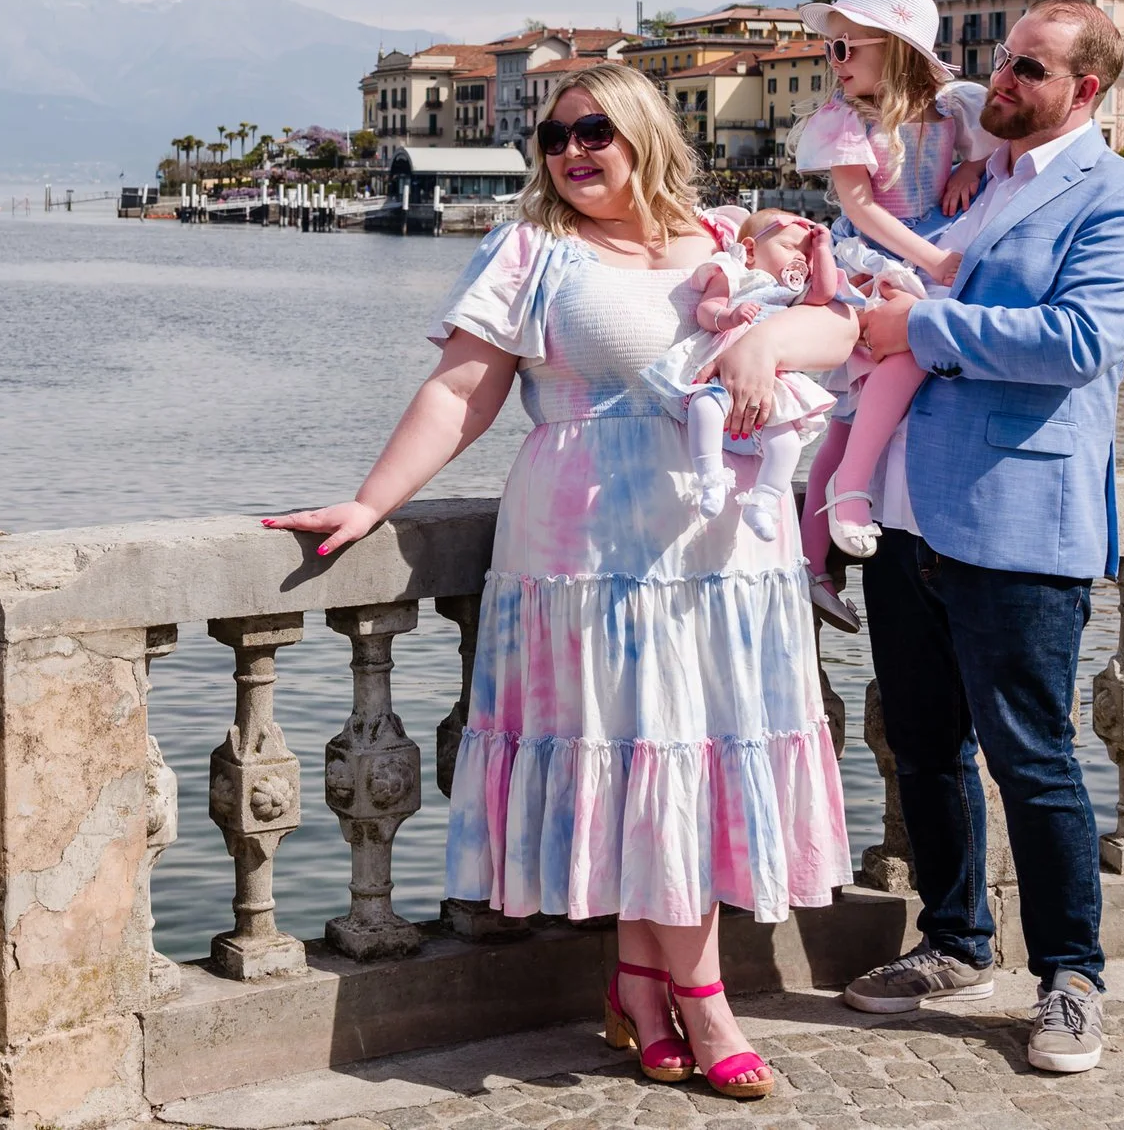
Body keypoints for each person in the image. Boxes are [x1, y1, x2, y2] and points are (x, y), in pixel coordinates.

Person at [264, 63, 858, 1101]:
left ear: (642, 132)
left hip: (721, 556)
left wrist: (765, 336)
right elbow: (461, 391)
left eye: (593, 130)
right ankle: (703, 997)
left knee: (683, 762)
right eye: (552, 136)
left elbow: (847, 330)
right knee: (653, 755)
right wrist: (370, 502)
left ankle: (637, 979)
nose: (571, 151)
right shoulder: (534, 250)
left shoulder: (723, 240)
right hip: (595, 553)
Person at [833, 0, 1124, 1078]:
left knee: (1032, 758)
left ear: (1086, 87)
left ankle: (1071, 976)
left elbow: (1078, 340)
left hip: (1021, 522)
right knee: (927, 744)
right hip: (905, 513)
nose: (1001, 81)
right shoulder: (971, 183)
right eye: (999, 61)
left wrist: (916, 327)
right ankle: (952, 941)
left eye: (1027, 67)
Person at [790, 0, 997, 590]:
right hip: (879, 257)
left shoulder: (951, 108)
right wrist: (931, 265)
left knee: (850, 418)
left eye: (847, 47)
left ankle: (811, 565)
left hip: (927, 244)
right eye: (833, 49)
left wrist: (971, 166)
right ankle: (849, 496)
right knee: (900, 359)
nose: (836, 61)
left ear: (897, 49)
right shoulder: (845, 122)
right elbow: (862, 209)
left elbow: (988, 145)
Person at [638, 209, 838, 540]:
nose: (800, 259)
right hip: (721, 373)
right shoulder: (733, 273)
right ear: (748, 250)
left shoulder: (793, 293)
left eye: (805, 254)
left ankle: (766, 498)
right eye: (790, 247)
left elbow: (825, 294)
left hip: (769, 384)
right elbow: (707, 310)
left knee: (786, 439)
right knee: (704, 406)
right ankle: (710, 477)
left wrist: (823, 250)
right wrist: (728, 316)